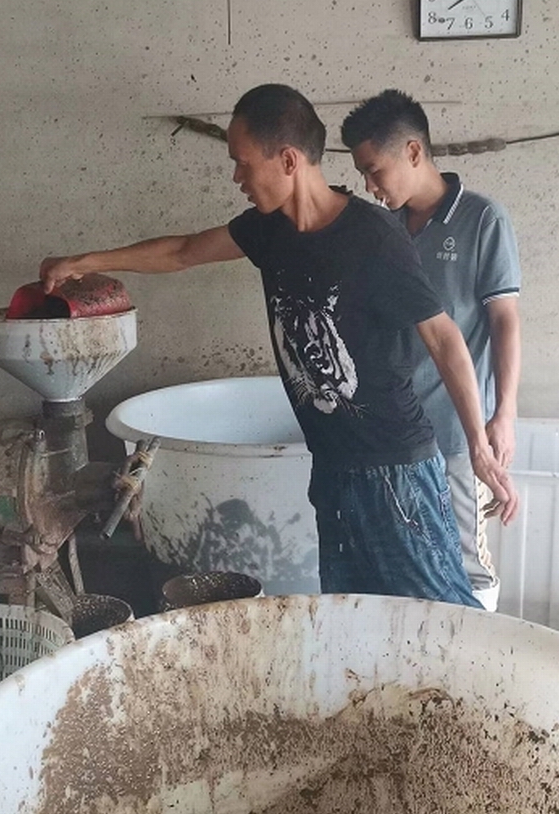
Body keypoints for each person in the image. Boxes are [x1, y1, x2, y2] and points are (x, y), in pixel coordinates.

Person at [40, 83, 518, 607]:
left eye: (243, 163)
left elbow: (444, 337)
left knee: (437, 617)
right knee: (350, 615)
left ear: (288, 160)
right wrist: (85, 263)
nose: (237, 177)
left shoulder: (374, 236)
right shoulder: (268, 230)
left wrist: (479, 443)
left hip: (395, 470)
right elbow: (183, 251)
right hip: (332, 469)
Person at [341, 90, 521, 611]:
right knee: (409, 557)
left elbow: (505, 320)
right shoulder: (382, 228)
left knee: (467, 563)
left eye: (375, 171)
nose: (370, 186)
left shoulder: (482, 219)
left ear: (414, 151)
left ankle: (477, 653)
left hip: (459, 432)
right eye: (362, 174)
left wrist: (504, 413)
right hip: (397, 432)